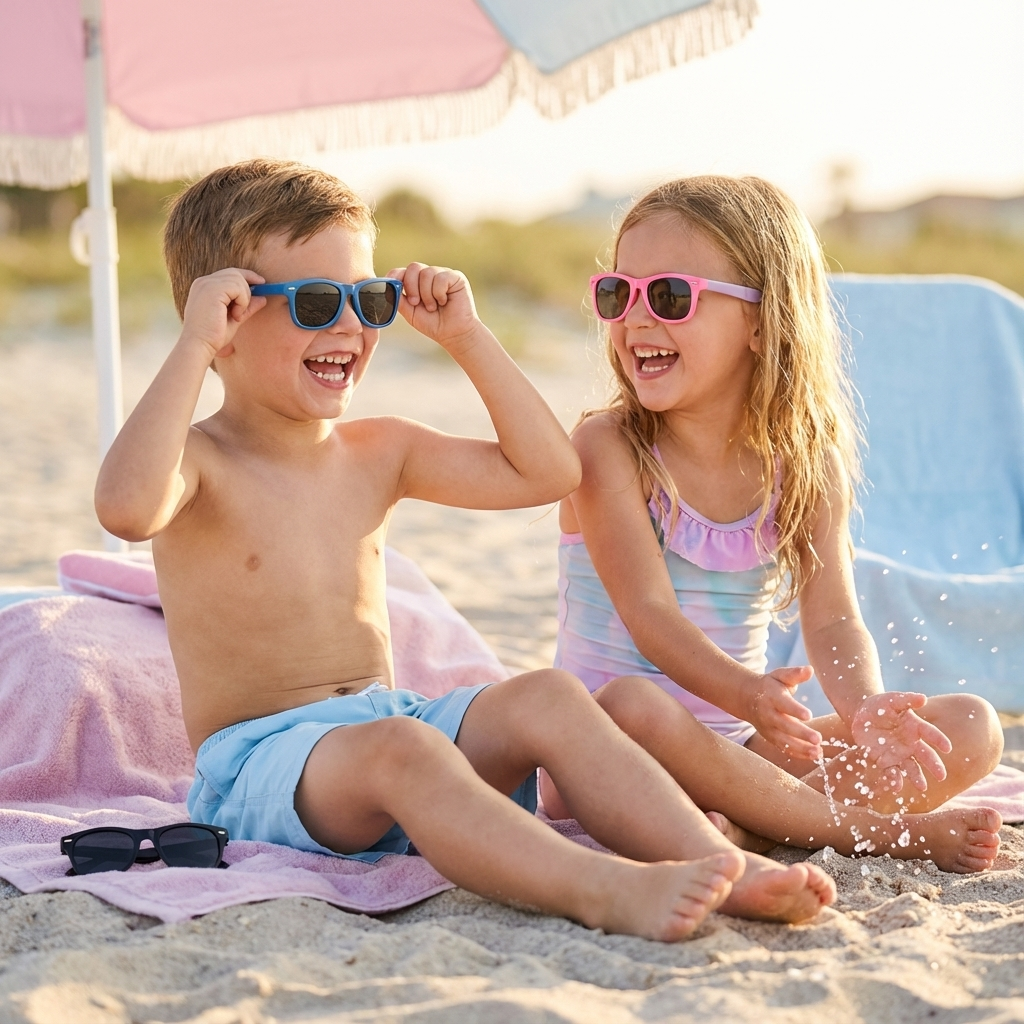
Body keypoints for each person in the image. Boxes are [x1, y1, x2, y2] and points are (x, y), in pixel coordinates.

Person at [94, 159, 839, 941]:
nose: (349, 326)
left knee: (550, 696)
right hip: (266, 764)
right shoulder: (198, 462)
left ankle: (720, 863)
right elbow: (126, 507)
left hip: (391, 726)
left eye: (368, 299)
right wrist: (190, 345)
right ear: (227, 317)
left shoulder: (379, 451)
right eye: (316, 303)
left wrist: (466, 336)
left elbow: (549, 471)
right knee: (402, 748)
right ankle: (601, 888)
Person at [546, 175, 1004, 871]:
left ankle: (756, 829)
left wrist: (866, 710)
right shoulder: (608, 449)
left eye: (669, 297)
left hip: (738, 752)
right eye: (617, 293)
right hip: (607, 755)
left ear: (762, 322)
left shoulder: (804, 464)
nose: (636, 319)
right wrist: (748, 695)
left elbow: (831, 622)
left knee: (972, 726)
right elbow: (648, 615)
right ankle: (851, 832)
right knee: (633, 702)